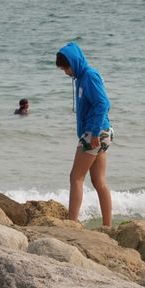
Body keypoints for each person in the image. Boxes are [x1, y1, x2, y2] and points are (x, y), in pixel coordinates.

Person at [56, 42, 113, 227]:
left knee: (76, 177)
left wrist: (94, 132)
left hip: (95, 133)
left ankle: (72, 223)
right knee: (98, 180)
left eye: (66, 67)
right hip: (101, 132)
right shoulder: (81, 77)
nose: (66, 72)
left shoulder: (89, 76)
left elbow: (103, 104)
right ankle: (107, 226)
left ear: (75, 61)